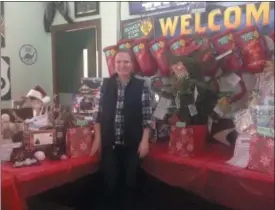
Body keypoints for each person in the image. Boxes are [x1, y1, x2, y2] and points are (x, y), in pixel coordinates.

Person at [90, 49, 152, 210]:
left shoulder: (141, 85)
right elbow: (97, 114)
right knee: (110, 184)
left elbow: (147, 117)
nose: (122, 65)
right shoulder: (105, 84)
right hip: (109, 143)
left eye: (126, 62)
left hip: (133, 144)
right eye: (118, 62)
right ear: (114, 64)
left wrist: (145, 141)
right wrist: (97, 139)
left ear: (132, 65)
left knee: (130, 184)